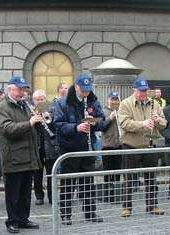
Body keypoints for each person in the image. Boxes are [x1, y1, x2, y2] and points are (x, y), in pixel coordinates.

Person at [53, 74, 107, 225]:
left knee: (88, 182)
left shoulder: (93, 101)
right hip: (70, 148)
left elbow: (102, 122)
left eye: (88, 90)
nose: (86, 93)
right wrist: (76, 127)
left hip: (87, 146)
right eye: (83, 90)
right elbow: (57, 125)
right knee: (68, 183)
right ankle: (65, 214)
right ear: (76, 87)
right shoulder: (63, 103)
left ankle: (90, 212)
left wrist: (94, 121)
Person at [0, 76, 42, 233]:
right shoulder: (2, 107)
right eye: (19, 89)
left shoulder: (24, 106)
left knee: (26, 192)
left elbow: (31, 127)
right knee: (13, 193)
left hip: (28, 155)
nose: (22, 93)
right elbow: (7, 129)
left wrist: (40, 120)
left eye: (24, 90)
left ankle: (23, 219)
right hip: (13, 157)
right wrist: (30, 123)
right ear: (10, 89)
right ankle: (12, 221)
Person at [117, 77, 167, 217]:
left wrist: (157, 120)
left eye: (145, 91)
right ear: (134, 90)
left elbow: (164, 123)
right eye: (141, 91)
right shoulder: (125, 104)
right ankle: (126, 207)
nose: (144, 94)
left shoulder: (155, 104)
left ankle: (152, 206)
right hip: (131, 146)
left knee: (151, 178)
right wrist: (143, 124)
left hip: (150, 146)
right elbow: (124, 124)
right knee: (128, 178)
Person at [101, 91, 122, 203]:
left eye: (116, 99)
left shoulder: (121, 111)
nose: (114, 101)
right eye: (112, 99)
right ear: (108, 100)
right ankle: (107, 195)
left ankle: (116, 196)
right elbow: (102, 127)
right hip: (107, 146)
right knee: (108, 172)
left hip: (119, 145)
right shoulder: (103, 111)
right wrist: (110, 118)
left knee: (117, 171)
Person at [31, 89, 48, 205]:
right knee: (37, 172)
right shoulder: (30, 111)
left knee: (51, 171)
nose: (40, 101)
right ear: (34, 100)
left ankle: (52, 196)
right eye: (37, 99)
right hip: (36, 144)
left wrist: (47, 117)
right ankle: (39, 196)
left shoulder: (51, 110)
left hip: (49, 145)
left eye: (42, 99)